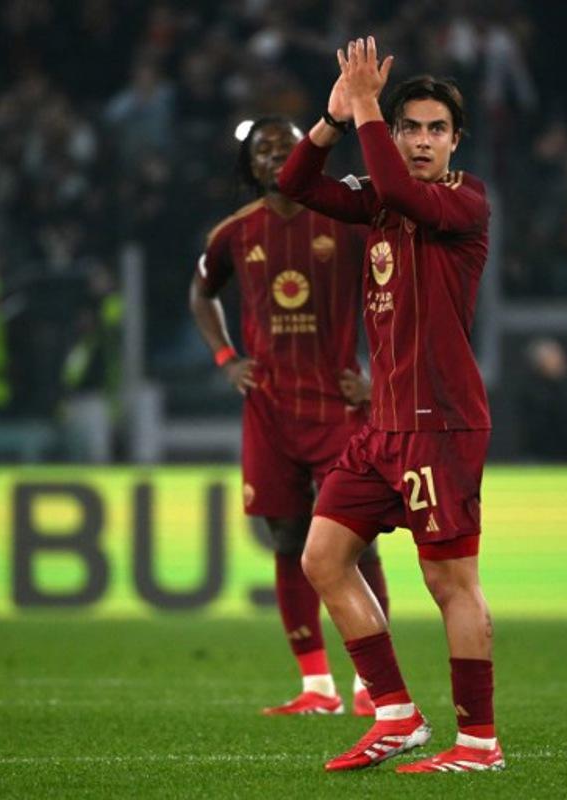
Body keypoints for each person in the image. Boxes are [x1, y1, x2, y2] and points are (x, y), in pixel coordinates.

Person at [278, 37, 504, 773]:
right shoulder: (378, 199)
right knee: (322, 557)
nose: (422, 140)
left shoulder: (463, 202)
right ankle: (398, 713)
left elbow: (404, 194)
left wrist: (370, 105)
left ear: (455, 141)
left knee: (450, 583)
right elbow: (296, 184)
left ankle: (478, 743)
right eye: (411, 127)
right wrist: (333, 118)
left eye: (437, 128)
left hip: (442, 423)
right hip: (383, 428)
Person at [189, 116, 390, 717]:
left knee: (356, 544)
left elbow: (396, 292)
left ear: (310, 151)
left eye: (286, 144)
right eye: (262, 149)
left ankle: (371, 686)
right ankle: (317, 687)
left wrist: (376, 375)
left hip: (338, 406)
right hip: (271, 408)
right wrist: (226, 357)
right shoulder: (234, 233)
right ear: (250, 167)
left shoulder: (346, 219)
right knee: (286, 538)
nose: (275, 154)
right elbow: (201, 294)